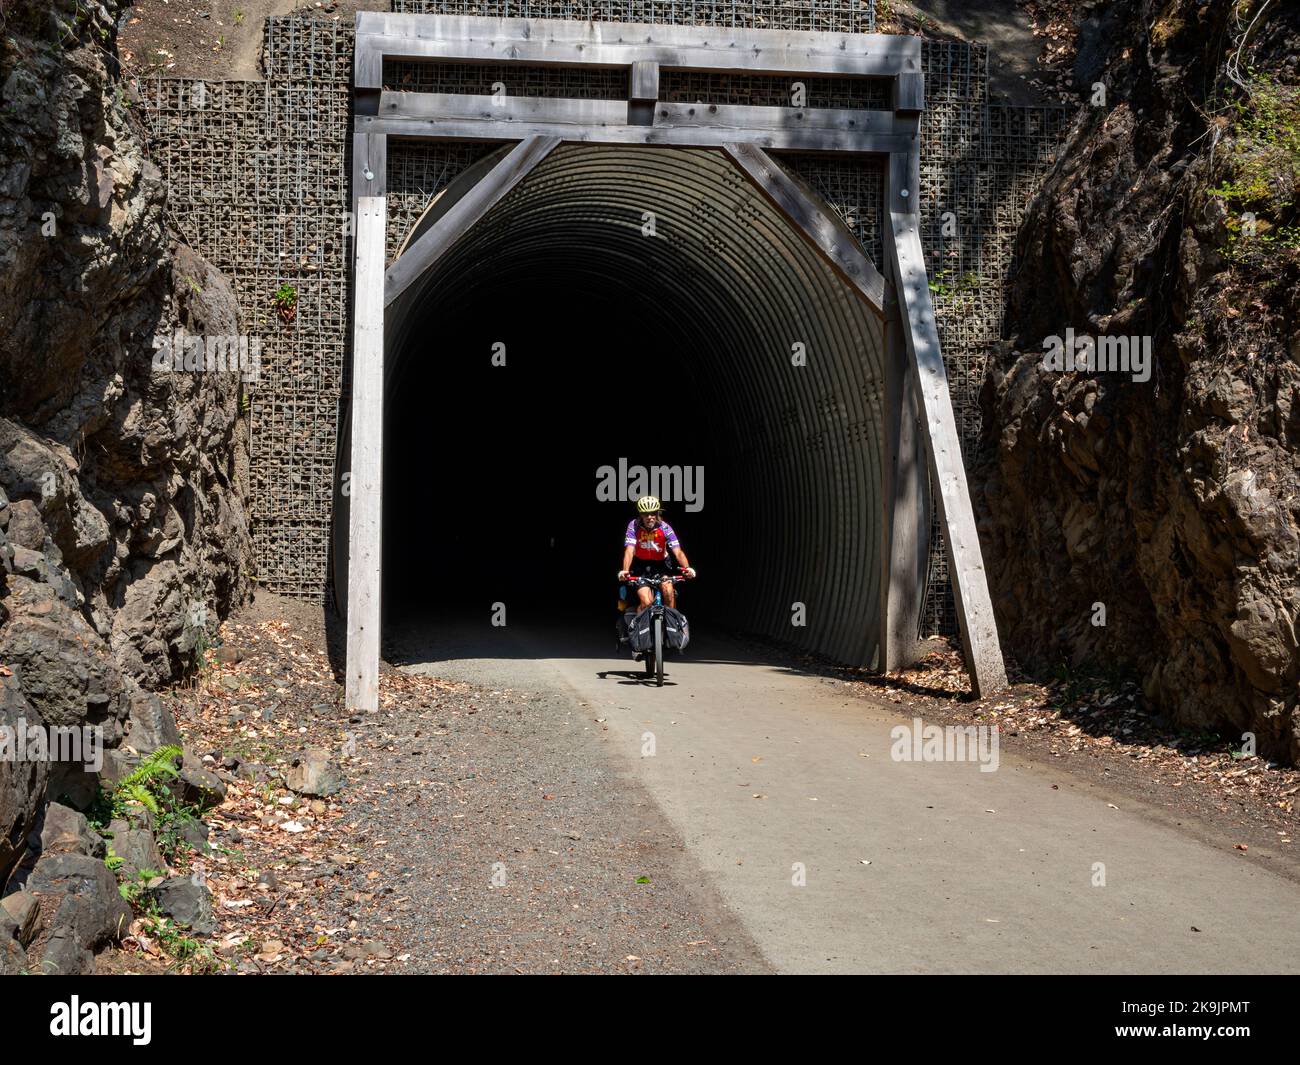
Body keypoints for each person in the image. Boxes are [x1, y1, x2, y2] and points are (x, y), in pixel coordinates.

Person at [618, 495, 695, 614]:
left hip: (662, 565)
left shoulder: (665, 527)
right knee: (646, 603)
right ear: (640, 514)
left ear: (658, 513)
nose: (650, 517)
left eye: (653, 513)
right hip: (641, 565)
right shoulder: (633, 526)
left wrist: (687, 568)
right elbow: (629, 550)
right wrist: (625, 570)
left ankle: (670, 627)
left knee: (668, 593)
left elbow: (678, 551)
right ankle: (639, 627)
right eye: (645, 514)